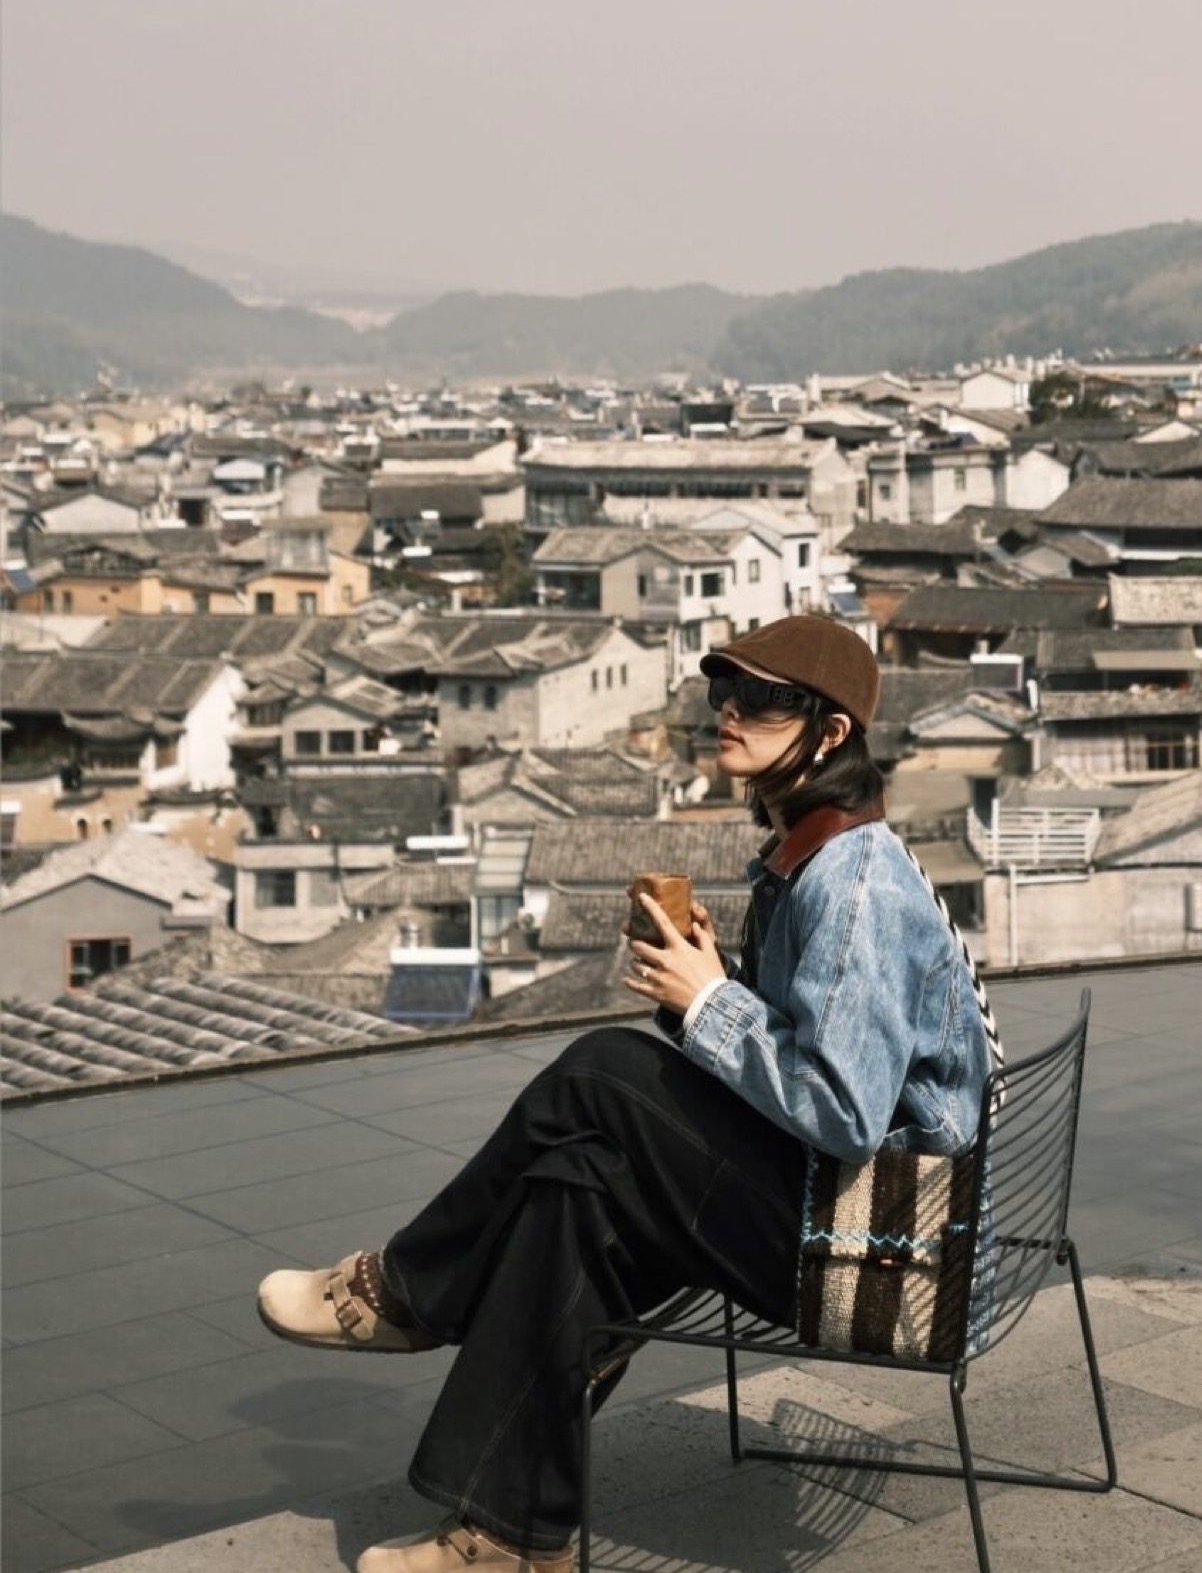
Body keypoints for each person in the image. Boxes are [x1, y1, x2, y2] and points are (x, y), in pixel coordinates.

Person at [256, 615, 994, 1573]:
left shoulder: (851, 882)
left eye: (763, 699)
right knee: (580, 1186)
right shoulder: (808, 860)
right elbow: (814, 1071)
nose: (729, 712)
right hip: (846, 1221)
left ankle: (406, 1291)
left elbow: (844, 1115)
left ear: (832, 732)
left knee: (601, 1074)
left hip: (881, 1255)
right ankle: (513, 1541)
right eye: (724, 691)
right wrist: (708, 993)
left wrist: (712, 1003)